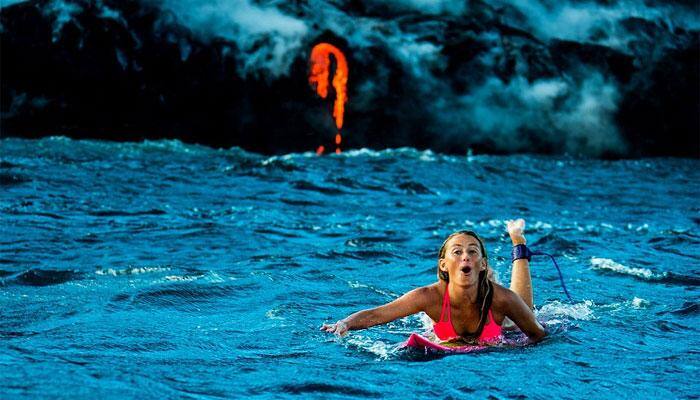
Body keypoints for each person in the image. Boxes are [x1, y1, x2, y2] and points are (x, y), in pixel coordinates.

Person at [320, 219, 546, 343]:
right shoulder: (429, 297)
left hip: (500, 329)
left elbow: (538, 334)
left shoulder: (501, 299)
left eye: (472, 251)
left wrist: (510, 348)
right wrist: (345, 323)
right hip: (447, 327)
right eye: (456, 252)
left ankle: (518, 243)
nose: (465, 256)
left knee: (523, 316)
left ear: (483, 264)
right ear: (443, 265)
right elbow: (378, 314)